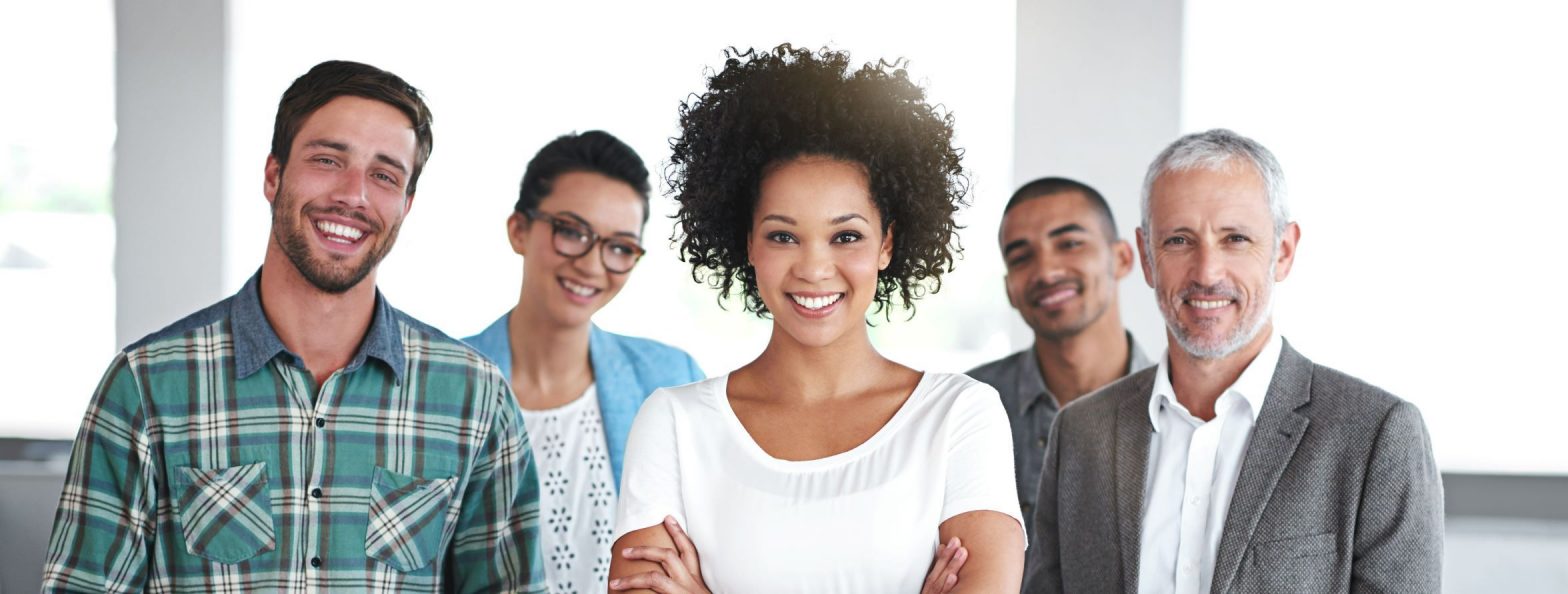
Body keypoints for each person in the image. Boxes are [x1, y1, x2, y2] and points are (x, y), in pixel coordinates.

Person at [40, 61, 545, 593]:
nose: (354, 195)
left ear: (405, 205)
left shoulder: (475, 397)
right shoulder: (145, 385)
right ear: (273, 175)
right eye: (328, 160)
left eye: (384, 175)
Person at [605, 45, 1026, 594]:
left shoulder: (961, 416)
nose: (814, 268)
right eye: (783, 235)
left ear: (887, 244)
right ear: (748, 244)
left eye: (845, 235)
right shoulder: (674, 424)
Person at [1024, 129, 1443, 593]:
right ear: (1146, 257)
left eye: (1236, 239)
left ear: (1282, 252)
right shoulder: (1081, 433)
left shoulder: (1375, 435)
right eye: (1179, 241)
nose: (1206, 272)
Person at [463, 130, 704, 594]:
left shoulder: (671, 380)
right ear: (519, 229)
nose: (593, 265)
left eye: (619, 247)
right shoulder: (442, 381)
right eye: (571, 231)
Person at [966, 177, 1153, 535]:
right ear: (1009, 289)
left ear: (1123, 258)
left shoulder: (1176, 407)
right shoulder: (968, 405)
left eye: (1070, 244)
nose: (1047, 271)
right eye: (1021, 257)